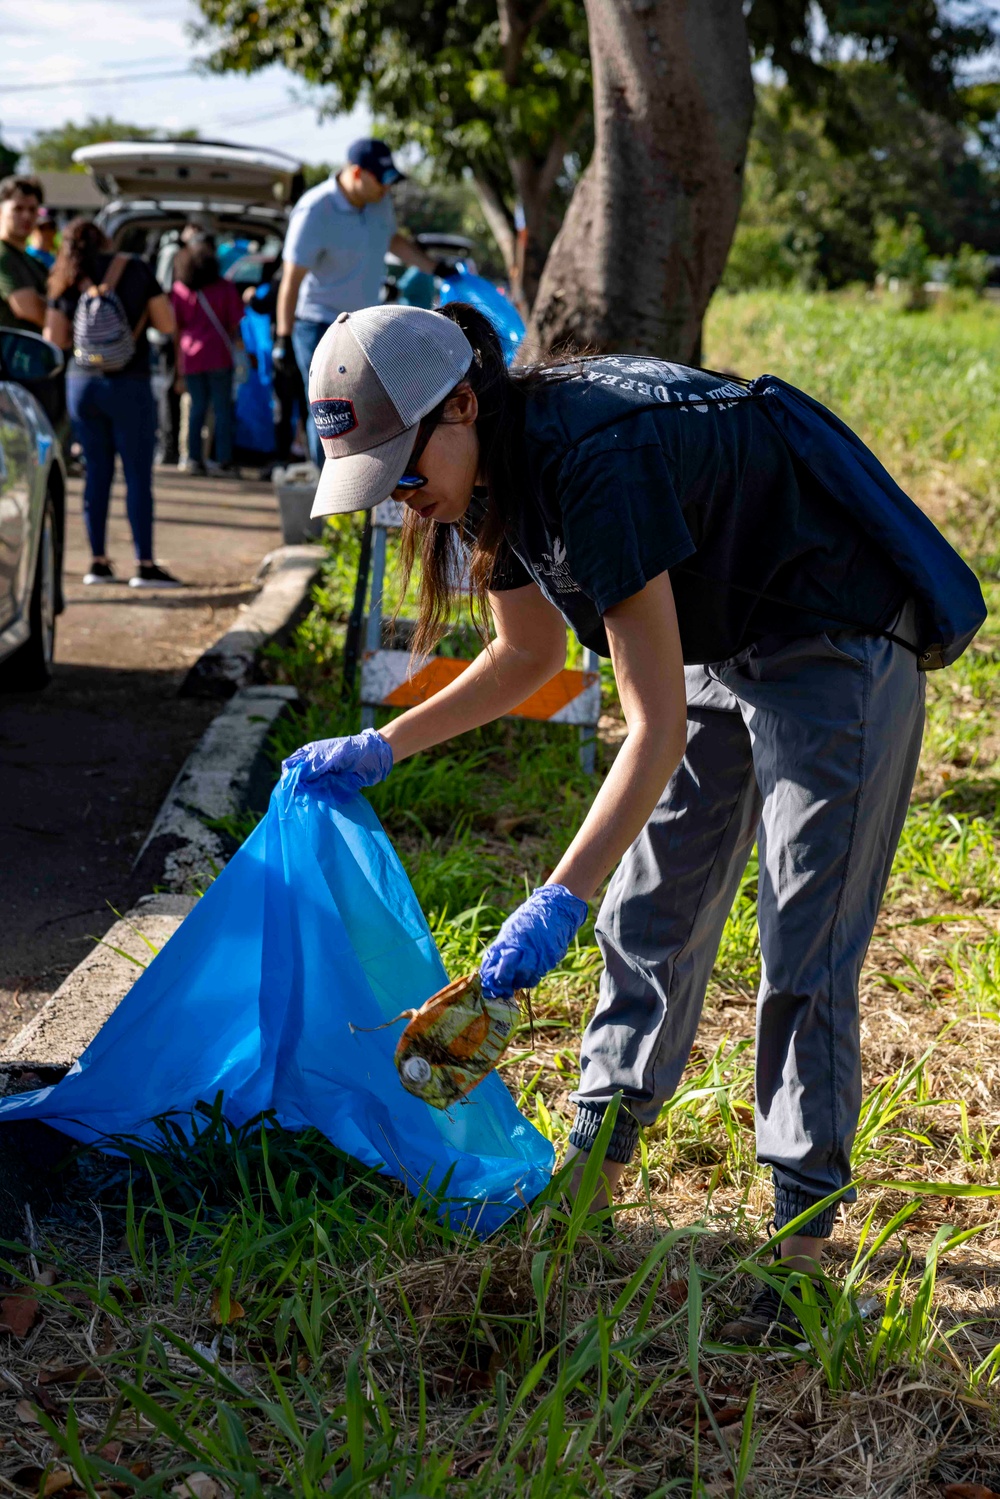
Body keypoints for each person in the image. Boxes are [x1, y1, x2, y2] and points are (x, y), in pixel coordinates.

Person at [282, 302, 986, 1343]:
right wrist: (384, 746)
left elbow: (646, 727)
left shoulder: (588, 458)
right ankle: (595, 1171)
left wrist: (549, 898)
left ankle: (796, 1244)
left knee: (805, 934)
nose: (404, 498)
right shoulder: (487, 471)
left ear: (462, 403)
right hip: (718, 639)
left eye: (401, 467)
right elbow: (525, 658)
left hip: (833, 632)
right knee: (650, 907)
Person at [273, 138, 452, 468]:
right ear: (357, 174)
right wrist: (282, 340)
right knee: (329, 418)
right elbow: (291, 279)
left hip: (365, 328)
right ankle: (331, 501)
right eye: (381, 180)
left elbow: (393, 240)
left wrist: (435, 267)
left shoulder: (378, 203)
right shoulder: (316, 209)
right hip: (318, 327)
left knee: (366, 410)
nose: (387, 189)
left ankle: (362, 493)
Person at [44, 217, 181, 588]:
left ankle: (98, 563)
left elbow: (53, 338)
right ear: (105, 239)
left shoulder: (66, 277)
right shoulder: (135, 267)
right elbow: (166, 324)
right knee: (137, 475)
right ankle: (145, 565)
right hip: (130, 384)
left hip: (82, 385)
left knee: (96, 474)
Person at [171, 237, 244, 476]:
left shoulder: (180, 290)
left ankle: (193, 458)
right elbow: (235, 326)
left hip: (191, 357)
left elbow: (176, 328)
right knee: (222, 410)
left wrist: (178, 365)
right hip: (219, 356)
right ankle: (223, 460)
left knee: (196, 409)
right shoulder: (226, 288)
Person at [0, 176, 47, 330]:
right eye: (18, 208)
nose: (26, 216)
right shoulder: (3, 255)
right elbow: (32, 311)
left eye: (32, 209)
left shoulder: (34, 262)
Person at [27, 206, 58, 270]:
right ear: (33, 231)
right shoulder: (27, 256)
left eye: (51, 228)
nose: (47, 232)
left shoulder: (55, 257)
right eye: (42, 228)